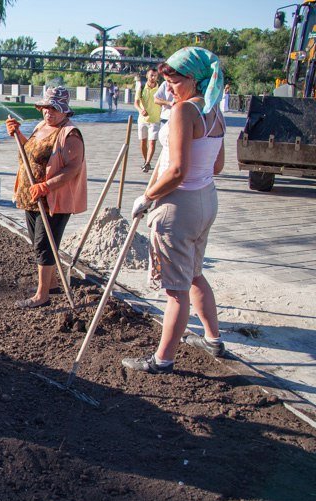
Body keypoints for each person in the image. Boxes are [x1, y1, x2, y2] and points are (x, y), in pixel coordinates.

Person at [123, 47, 227, 374]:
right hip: (206, 199)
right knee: (194, 274)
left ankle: (162, 360)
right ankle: (213, 339)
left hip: (179, 206)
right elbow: (219, 165)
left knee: (176, 290)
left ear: (194, 79)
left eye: (175, 80)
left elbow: (178, 170)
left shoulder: (184, 112)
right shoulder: (214, 111)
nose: (169, 88)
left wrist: (147, 197)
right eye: (166, 80)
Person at [6, 87, 88, 309]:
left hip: (53, 200)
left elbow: (72, 168)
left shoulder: (70, 134)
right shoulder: (42, 126)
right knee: (37, 241)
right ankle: (51, 284)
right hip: (32, 197)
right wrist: (18, 134)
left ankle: (42, 296)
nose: (48, 112)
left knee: (45, 243)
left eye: (53, 108)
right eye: (45, 108)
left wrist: (46, 186)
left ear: (64, 111)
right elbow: (30, 152)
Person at [134, 68, 162, 172]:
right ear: (147, 76)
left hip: (155, 119)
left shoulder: (160, 88)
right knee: (143, 142)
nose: (153, 77)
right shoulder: (141, 87)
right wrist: (141, 110)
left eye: (155, 76)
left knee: (152, 142)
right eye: (151, 75)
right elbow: (136, 103)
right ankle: (146, 160)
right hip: (142, 120)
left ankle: (147, 162)